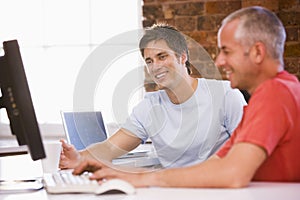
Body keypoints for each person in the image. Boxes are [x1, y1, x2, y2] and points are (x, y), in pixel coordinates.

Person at [72, 6, 300, 187]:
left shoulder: (273, 94)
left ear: (258, 52)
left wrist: (144, 179)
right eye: (149, 61)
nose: (219, 61)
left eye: (226, 51)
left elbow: (232, 174)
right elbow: (218, 163)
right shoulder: (273, 94)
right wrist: (125, 173)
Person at [60, 24, 246, 170]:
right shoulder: (149, 107)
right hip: (173, 191)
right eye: (149, 61)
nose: (155, 66)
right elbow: (109, 148)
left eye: (162, 56)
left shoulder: (225, 95)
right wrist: (79, 156)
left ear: (182, 57)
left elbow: (246, 153)